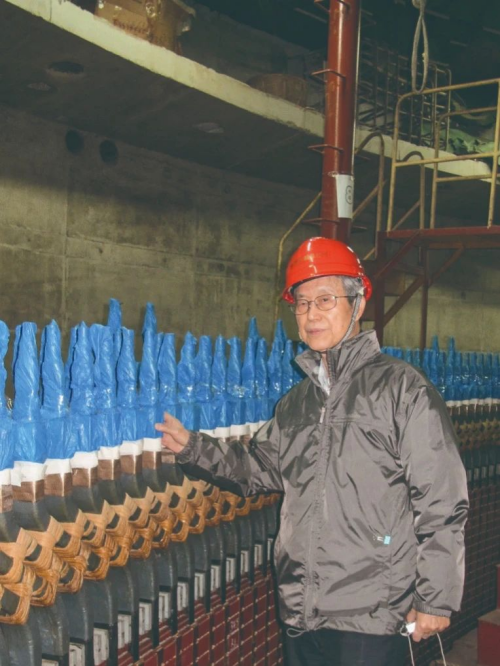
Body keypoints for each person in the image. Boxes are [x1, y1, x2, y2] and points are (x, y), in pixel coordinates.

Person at [156, 237, 469, 666]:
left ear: (358, 303)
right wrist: (193, 448)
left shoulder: (403, 390)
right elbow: (258, 469)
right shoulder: (297, 402)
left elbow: (442, 498)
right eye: (302, 304)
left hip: (371, 612)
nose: (311, 314)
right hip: (301, 607)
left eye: (325, 300)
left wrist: (435, 597)